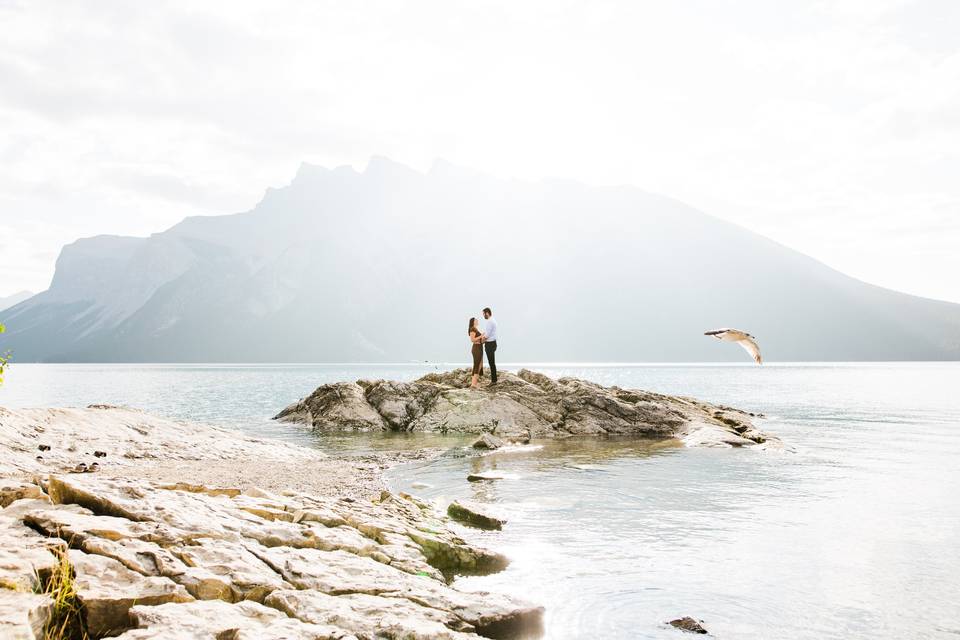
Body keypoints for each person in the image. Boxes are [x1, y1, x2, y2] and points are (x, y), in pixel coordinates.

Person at [481, 307, 498, 385]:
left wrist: (480, 342)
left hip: (490, 344)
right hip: (493, 343)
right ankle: (494, 380)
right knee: (492, 362)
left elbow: (487, 335)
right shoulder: (492, 320)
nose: (483, 315)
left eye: (483, 314)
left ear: (487, 313)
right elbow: (486, 333)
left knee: (491, 363)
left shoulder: (490, 321)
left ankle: (494, 381)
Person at [468, 317, 485, 389]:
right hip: (476, 348)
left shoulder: (476, 329)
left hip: (480, 347)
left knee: (480, 365)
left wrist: (483, 339)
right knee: (477, 365)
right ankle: (473, 385)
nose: (477, 321)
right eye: (476, 320)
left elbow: (478, 340)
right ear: (473, 322)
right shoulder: (472, 329)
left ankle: (474, 383)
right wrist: (481, 336)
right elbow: (472, 340)